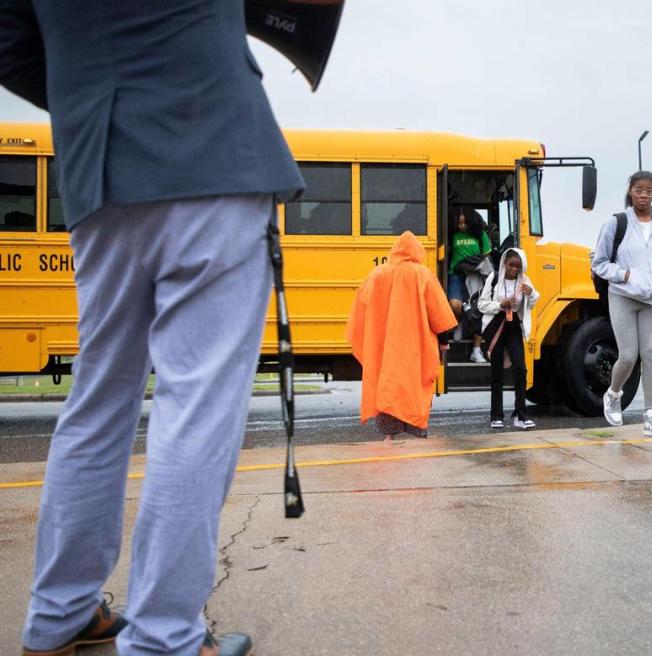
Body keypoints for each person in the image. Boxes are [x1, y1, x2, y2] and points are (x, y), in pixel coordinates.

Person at [0, 2, 308, 655]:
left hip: (99, 169)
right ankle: (165, 637)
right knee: (194, 411)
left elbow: (8, 43)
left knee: (97, 402)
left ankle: (60, 615)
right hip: (215, 152)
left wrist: (91, 93)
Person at [347, 231, 458, 440]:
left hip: (384, 345)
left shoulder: (377, 274)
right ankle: (417, 431)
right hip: (415, 346)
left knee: (387, 384)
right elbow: (438, 313)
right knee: (414, 385)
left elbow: (362, 308)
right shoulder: (422, 274)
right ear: (417, 251)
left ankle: (389, 436)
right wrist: (444, 341)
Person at [592, 171, 652, 435]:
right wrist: (624, 275)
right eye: (639, 190)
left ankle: (651, 416)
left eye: (649, 191)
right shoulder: (615, 223)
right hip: (622, 296)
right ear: (630, 191)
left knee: (650, 355)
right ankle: (614, 393)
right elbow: (599, 263)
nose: (643, 195)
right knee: (628, 355)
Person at [478, 248, 540, 430]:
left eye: (517, 266)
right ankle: (496, 416)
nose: (513, 269)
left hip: (513, 328)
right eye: (511, 265)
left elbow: (532, 303)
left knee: (520, 369)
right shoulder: (494, 278)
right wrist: (500, 305)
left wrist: (531, 295)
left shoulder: (525, 281)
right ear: (504, 263)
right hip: (496, 326)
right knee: (496, 372)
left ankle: (521, 415)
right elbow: (482, 304)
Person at [447, 206, 493, 363]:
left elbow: (486, 253)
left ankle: (476, 350)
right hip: (456, 274)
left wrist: (473, 263)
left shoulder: (480, 235)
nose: (461, 226)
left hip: (474, 275)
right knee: (454, 305)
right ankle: (460, 323)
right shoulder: (453, 234)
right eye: (459, 223)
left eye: (464, 223)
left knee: (478, 310)